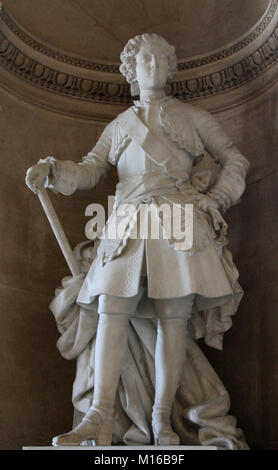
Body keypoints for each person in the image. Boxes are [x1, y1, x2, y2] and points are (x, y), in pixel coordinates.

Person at [25, 34, 249, 447]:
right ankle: (98, 417)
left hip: (180, 218)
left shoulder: (194, 117)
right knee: (112, 306)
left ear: (170, 66)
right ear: (131, 68)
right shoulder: (119, 126)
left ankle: (162, 420)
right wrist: (54, 172)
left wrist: (215, 199)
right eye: (145, 57)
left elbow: (235, 159)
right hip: (127, 220)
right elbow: (90, 170)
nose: (153, 63)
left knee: (172, 317)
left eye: (162, 57)